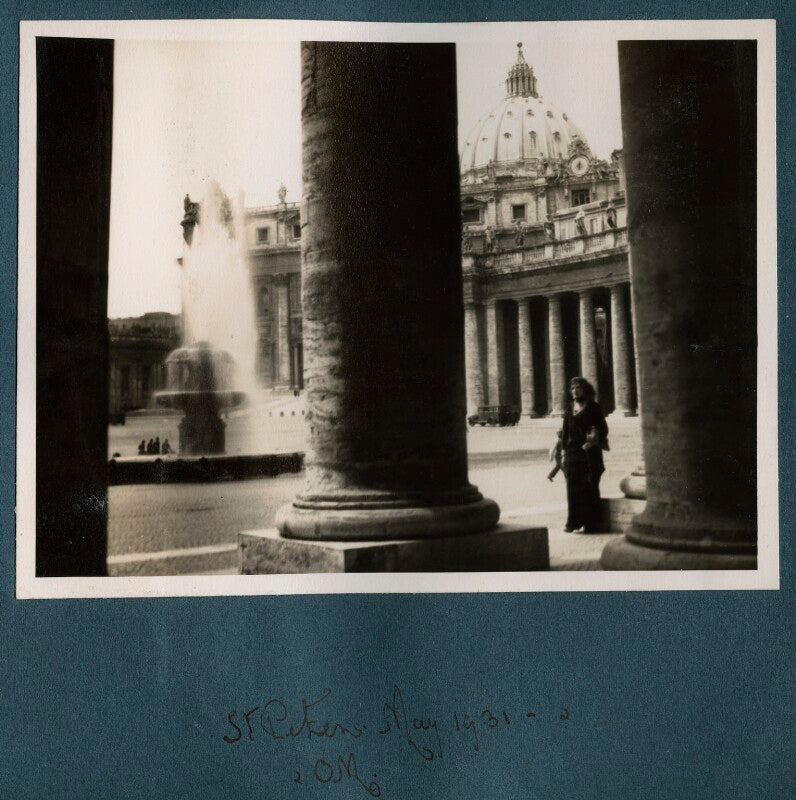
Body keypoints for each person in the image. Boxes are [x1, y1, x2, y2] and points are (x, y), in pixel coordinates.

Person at [559, 376, 608, 533]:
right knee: (572, 488)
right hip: (573, 454)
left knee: (589, 486)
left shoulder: (593, 407)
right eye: (572, 388)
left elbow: (603, 428)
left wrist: (594, 438)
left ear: (585, 390)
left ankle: (591, 523)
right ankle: (572, 522)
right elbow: (565, 432)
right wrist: (563, 451)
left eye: (578, 388)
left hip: (590, 453)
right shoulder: (569, 408)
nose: (574, 391)